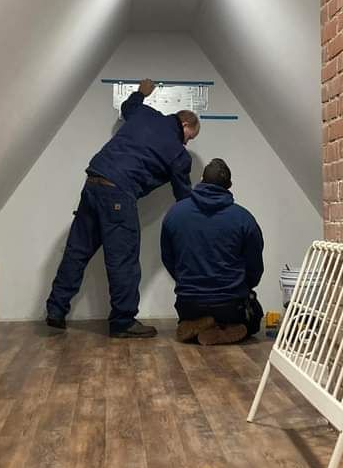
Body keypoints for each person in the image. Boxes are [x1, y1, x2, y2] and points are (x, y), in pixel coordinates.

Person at [46, 79, 200, 338]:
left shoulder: (146, 114)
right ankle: (123, 322)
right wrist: (197, 217)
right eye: (190, 137)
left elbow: (128, 107)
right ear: (185, 125)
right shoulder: (178, 153)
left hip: (94, 181)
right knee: (123, 261)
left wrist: (141, 92)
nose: (187, 144)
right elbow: (183, 196)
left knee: (77, 251)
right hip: (118, 193)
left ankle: (55, 310)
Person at [160, 158, 264, 346]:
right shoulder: (244, 218)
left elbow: (168, 259)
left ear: (201, 180)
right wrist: (242, 286)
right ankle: (226, 327)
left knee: (194, 313)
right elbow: (255, 267)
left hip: (189, 303)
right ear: (229, 186)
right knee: (255, 318)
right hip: (230, 304)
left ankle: (196, 325)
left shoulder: (174, 214)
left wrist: (187, 281)